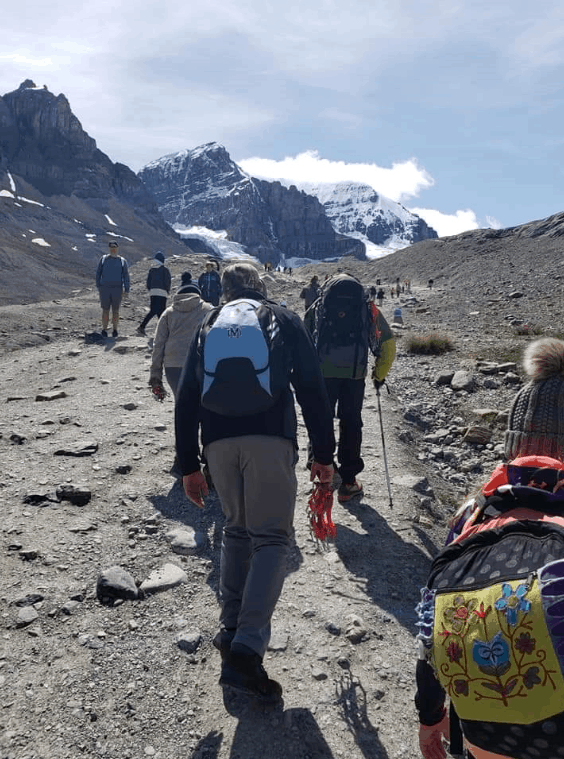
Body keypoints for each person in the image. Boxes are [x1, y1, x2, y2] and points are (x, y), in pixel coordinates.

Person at [175, 262, 335, 703]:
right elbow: (311, 388)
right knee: (272, 540)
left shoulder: (209, 323)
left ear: (223, 290)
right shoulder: (282, 318)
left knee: (237, 532)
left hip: (218, 446)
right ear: (260, 286)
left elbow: (187, 395)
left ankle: (231, 631)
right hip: (270, 440)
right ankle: (246, 652)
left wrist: (188, 462)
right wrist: (325, 454)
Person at [415, 337, 564, 759]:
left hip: (484, 729)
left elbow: (430, 629)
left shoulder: (473, 513)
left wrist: (430, 718)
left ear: (514, 441)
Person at [308, 273, 395, 503]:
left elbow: (303, 338)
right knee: (351, 423)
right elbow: (387, 345)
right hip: (354, 376)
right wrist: (379, 375)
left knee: (320, 420)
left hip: (323, 376)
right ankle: (348, 483)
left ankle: (321, 472)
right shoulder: (367, 308)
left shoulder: (319, 306)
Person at [149, 273, 213, 399]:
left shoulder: (168, 313)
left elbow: (158, 345)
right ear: (198, 295)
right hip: (200, 364)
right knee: (202, 403)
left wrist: (155, 377)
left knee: (181, 402)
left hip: (173, 365)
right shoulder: (209, 310)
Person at [95, 240, 130, 338]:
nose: (113, 249)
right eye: (111, 247)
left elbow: (126, 277)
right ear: (109, 248)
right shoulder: (103, 259)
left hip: (117, 290)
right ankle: (104, 329)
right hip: (105, 290)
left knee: (116, 311)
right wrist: (99, 286)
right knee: (105, 310)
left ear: (117, 248)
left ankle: (115, 330)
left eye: (114, 247)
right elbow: (98, 274)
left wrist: (127, 290)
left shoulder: (122, 261)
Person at [137, 251, 171, 336]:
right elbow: (167, 282)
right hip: (162, 293)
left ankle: (143, 327)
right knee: (161, 311)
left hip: (153, 292)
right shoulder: (165, 270)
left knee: (154, 310)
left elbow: (148, 283)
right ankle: (163, 331)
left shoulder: (152, 270)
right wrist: (167, 291)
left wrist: (151, 290)